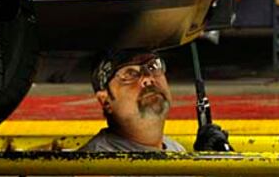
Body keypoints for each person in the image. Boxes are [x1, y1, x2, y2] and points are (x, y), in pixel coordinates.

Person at [80, 49, 232, 153]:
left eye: (153, 66)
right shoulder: (93, 165)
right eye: (130, 73)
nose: (147, 78)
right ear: (105, 101)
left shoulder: (176, 150)